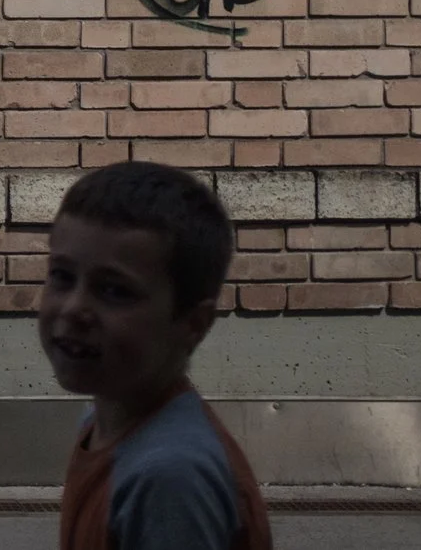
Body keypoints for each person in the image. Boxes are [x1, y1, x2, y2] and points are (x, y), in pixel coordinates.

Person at [40, 161, 271, 550]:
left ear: (193, 324)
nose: (73, 309)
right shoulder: (101, 418)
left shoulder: (169, 478)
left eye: (115, 291)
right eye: (62, 277)